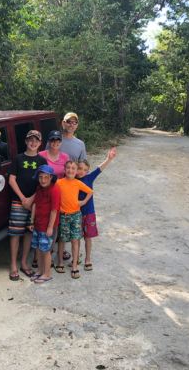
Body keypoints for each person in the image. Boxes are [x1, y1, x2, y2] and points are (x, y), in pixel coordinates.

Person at [8, 130, 47, 281]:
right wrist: (23, 198)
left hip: (34, 203)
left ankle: (24, 262)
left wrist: (31, 199)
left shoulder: (42, 161)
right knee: (15, 233)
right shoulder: (18, 158)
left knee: (29, 232)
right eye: (30, 140)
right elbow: (12, 179)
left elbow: (44, 183)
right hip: (18, 201)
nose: (33, 143)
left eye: (36, 140)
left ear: (40, 143)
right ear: (26, 141)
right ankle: (13, 265)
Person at [77, 147, 117, 271]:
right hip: (75, 214)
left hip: (89, 213)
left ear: (88, 171)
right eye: (79, 168)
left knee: (87, 237)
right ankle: (76, 257)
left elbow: (100, 168)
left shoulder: (89, 178)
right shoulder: (71, 180)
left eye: (85, 169)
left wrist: (108, 159)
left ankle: (87, 258)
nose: (81, 171)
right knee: (76, 237)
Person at [56, 160, 93, 279]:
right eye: (68, 168)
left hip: (76, 215)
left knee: (75, 240)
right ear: (64, 169)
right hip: (64, 215)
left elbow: (90, 192)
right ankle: (60, 262)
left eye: (73, 168)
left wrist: (83, 202)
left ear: (76, 171)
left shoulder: (78, 183)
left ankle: (75, 266)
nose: (70, 170)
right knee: (62, 239)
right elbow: (53, 194)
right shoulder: (59, 182)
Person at [58, 112, 87, 261]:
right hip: (56, 185)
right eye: (68, 122)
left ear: (77, 125)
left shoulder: (80, 144)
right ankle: (52, 251)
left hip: (73, 188)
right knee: (57, 218)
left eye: (74, 122)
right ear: (63, 123)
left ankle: (71, 252)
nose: (71, 125)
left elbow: (83, 167)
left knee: (71, 218)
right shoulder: (56, 140)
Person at [28, 165, 60, 284]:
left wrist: (50, 227)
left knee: (46, 251)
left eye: (46, 177)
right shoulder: (39, 188)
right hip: (38, 224)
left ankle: (47, 274)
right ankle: (40, 270)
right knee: (39, 249)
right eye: (40, 177)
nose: (43, 180)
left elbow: (54, 210)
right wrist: (31, 221)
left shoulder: (55, 190)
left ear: (51, 177)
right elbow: (35, 204)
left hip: (47, 227)